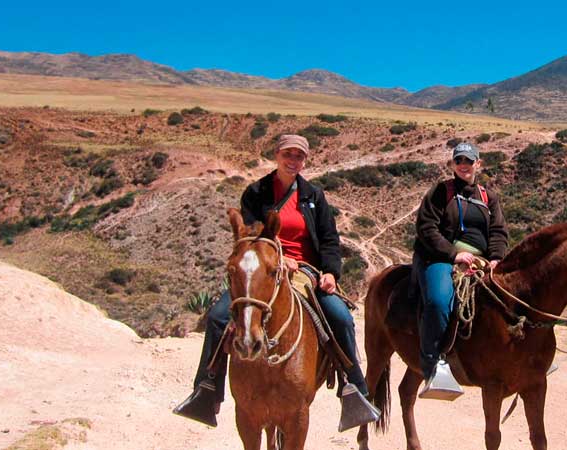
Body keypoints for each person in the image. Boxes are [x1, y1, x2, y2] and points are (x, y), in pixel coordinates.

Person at [175, 134, 372, 426]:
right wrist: (277, 257)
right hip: (261, 268)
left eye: (299, 157)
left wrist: (330, 272)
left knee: (340, 317)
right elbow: (251, 232)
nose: (293, 161)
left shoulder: (313, 196)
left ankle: (354, 389)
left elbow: (329, 239)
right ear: (276, 155)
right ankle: (206, 390)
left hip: (304, 270)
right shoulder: (256, 192)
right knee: (218, 317)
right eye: (288, 155)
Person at [412, 142, 509, 398]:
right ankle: (433, 365)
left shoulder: (488, 197)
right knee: (439, 301)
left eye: (469, 161)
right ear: (453, 165)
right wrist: (454, 254)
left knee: (513, 296)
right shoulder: (441, 191)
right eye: (459, 161)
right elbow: (427, 228)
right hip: (440, 257)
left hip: (481, 261)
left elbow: (498, 231)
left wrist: (497, 258)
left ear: (479, 164)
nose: (464, 165)